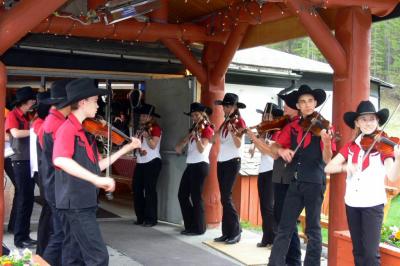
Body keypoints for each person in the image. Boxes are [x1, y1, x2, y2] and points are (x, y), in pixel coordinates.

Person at [53, 78, 141, 265]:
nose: (98, 105)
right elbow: (60, 159)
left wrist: (126, 149)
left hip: (81, 201)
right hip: (76, 203)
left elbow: (95, 166)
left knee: (73, 256)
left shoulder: (83, 132)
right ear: (83, 102)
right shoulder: (67, 129)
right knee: (98, 257)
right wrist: (96, 180)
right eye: (95, 100)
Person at [325, 100, 400, 266]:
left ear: (378, 121)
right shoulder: (352, 146)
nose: (368, 123)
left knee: (370, 255)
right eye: (364, 119)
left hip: (373, 204)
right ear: (357, 122)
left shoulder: (383, 147)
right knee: (358, 251)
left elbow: (392, 176)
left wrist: (399, 158)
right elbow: (329, 167)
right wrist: (346, 166)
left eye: (372, 119)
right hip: (352, 202)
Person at [268, 84, 335, 266]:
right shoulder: (293, 126)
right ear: (297, 105)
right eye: (303, 102)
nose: (307, 105)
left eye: (310, 101)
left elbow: (327, 159)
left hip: (314, 182)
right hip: (295, 181)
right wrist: (282, 151)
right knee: (284, 227)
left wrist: (327, 143)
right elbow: (274, 146)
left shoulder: (324, 126)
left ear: (315, 103)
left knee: (313, 229)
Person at [40, 79, 72, 266]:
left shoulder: (53, 120)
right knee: (61, 234)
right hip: (56, 186)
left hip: (53, 184)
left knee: (61, 232)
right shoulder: (56, 124)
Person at [5, 86, 37, 249]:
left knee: (28, 198)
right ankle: (19, 238)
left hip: (28, 160)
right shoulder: (13, 115)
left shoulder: (27, 115)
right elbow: (15, 133)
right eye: (33, 99)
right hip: (19, 160)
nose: (34, 102)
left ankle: (24, 234)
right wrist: (34, 131)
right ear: (26, 101)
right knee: (24, 199)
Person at [175, 102, 214, 235]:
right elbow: (178, 148)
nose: (194, 118)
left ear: (203, 114)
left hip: (201, 165)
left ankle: (199, 228)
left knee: (196, 197)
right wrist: (187, 138)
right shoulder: (194, 129)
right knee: (182, 195)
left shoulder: (207, 129)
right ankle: (190, 224)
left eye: (197, 115)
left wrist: (196, 136)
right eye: (192, 115)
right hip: (191, 165)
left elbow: (202, 149)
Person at [248, 103, 284, 247]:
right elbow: (257, 148)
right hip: (262, 170)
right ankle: (266, 237)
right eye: (263, 116)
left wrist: (258, 138)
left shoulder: (277, 131)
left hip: (272, 170)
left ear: (274, 117)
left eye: (267, 116)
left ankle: (273, 238)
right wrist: (258, 137)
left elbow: (266, 150)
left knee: (269, 206)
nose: (264, 118)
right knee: (264, 206)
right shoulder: (267, 131)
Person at [213, 93, 246, 245]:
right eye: (224, 106)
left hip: (233, 161)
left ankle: (236, 230)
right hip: (222, 161)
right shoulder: (226, 121)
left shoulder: (239, 122)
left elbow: (239, 144)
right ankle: (226, 232)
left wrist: (233, 131)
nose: (225, 109)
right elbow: (214, 140)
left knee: (226, 197)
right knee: (223, 198)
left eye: (228, 106)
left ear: (234, 107)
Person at [132, 103, 162, 227]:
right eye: (142, 116)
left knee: (150, 191)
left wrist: (148, 135)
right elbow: (138, 146)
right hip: (140, 162)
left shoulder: (155, 128)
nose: (143, 118)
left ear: (151, 117)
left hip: (152, 162)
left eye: (145, 116)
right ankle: (141, 217)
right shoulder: (139, 129)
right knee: (136, 189)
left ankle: (151, 219)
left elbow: (153, 145)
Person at [29, 91, 51, 256]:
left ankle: (44, 249)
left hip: (43, 170)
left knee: (49, 211)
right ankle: (43, 250)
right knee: (48, 210)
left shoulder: (39, 121)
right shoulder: (40, 123)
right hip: (44, 171)